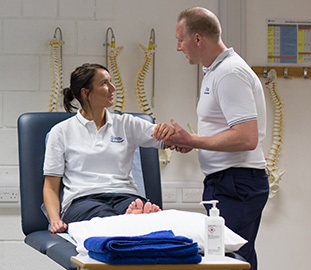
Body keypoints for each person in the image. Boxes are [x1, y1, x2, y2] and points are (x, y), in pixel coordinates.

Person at [159, 7, 269, 270]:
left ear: (198, 39)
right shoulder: (215, 71)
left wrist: (193, 141)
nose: (178, 47)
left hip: (237, 183)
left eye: (180, 39)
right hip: (228, 182)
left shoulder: (230, 73)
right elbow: (227, 132)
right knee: (231, 259)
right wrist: (191, 141)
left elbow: (246, 138)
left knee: (229, 261)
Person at [43, 63, 174, 234]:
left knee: (121, 217)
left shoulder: (126, 124)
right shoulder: (61, 132)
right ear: (86, 93)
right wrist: (55, 220)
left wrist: (170, 132)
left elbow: (174, 141)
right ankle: (134, 221)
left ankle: (133, 219)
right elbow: (51, 186)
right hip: (82, 201)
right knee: (105, 219)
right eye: (105, 83)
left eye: (111, 82)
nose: (113, 88)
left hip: (125, 197)